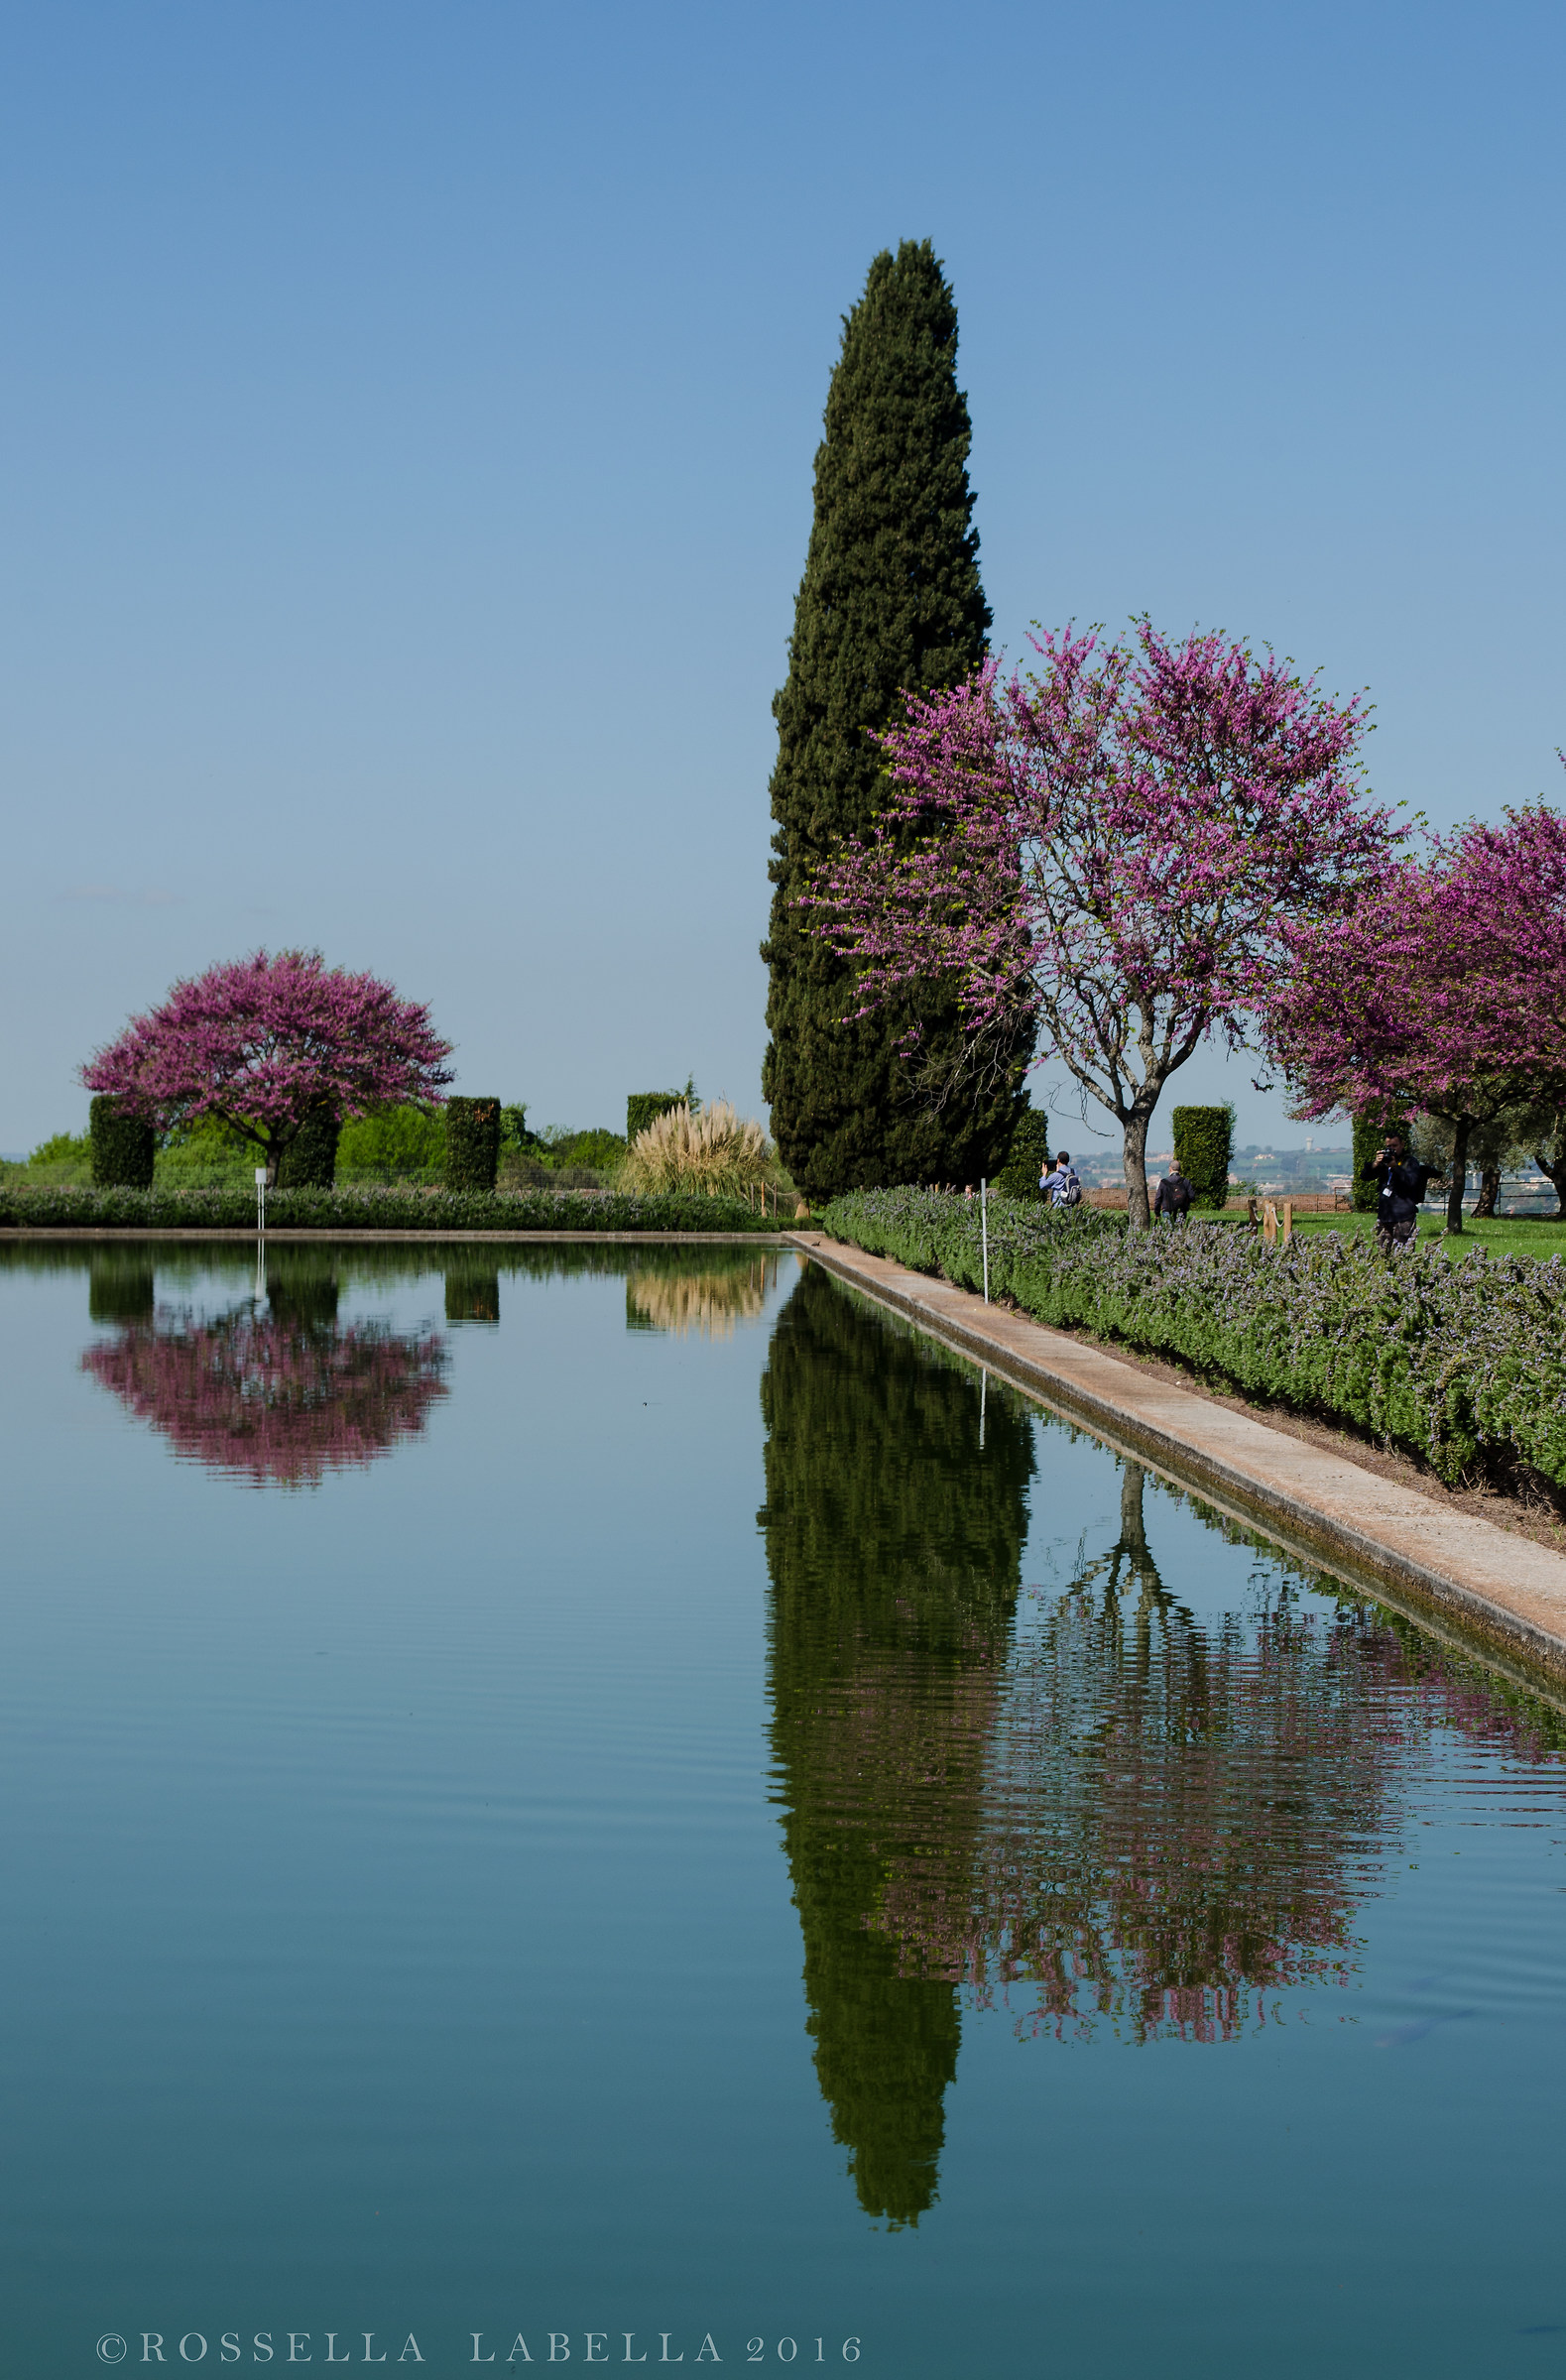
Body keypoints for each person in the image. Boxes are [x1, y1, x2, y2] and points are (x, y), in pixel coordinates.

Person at [1363, 1129, 1441, 1254]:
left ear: (1402, 1145)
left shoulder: (1410, 1162)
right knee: (1383, 1253)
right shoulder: (1384, 1163)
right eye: (1389, 1146)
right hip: (1385, 1214)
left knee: (1403, 1253)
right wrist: (1375, 1164)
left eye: (1395, 1146)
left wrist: (1395, 1167)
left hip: (1403, 1215)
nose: (1392, 1149)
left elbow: (1411, 1181)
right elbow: (1365, 1177)